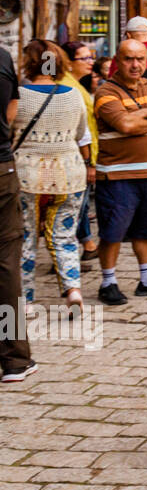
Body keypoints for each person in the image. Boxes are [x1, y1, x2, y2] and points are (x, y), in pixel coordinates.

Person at [92, 38, 147, 306]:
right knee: (112, 231)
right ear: (117, 60)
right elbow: (125, 125)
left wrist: (140, 115)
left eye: (140, 59)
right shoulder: (106, 91)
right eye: (129, 58)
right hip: (116, 174)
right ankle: (108, 282)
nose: (135, 64)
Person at [14, 40, 90, 308]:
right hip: (69, 172)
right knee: (63, 234)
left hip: (27, 174)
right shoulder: (74, 95)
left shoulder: (19, 95)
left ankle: (25, 299)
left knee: (25, 236)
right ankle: (73, 290)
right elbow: (81, 134)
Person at [0, 46, 36, 383]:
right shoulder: (2, 56)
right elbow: (12, 108)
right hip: (1, 168)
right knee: (6, 264)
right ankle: (14, 358)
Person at [60, 41, 99, 261]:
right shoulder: (70, 87)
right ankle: (74, 250)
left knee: (79, 204)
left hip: (81, 155)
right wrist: (88, 163)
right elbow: (81, 130)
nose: (90, 61)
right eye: (84, 58)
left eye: (90, 57)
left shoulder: (76, 84)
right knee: (77, 205)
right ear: (68, 62)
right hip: (77, 157)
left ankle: (85, 244)